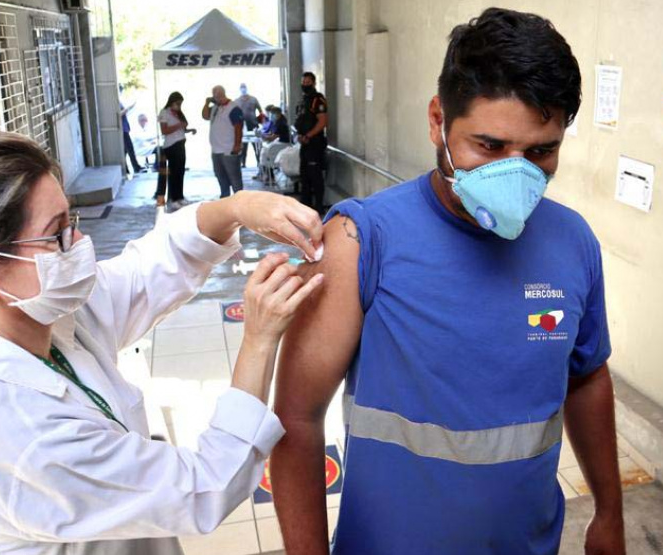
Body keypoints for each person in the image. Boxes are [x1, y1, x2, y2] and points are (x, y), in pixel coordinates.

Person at [271, 8, 624, 555]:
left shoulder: (573, 243)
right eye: (488, 146)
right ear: (438, 120)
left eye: (540, 152)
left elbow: (587, 379)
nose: (516, 172)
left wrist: (608, 511)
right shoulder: (360, 243)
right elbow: (296, 417)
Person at [0, 129, 326, 555]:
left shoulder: (44, 319)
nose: (80, 246)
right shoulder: (20, 434)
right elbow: (205, 486)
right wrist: (259, 339)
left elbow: (146, 272)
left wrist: (235, 207)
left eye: (74, 223)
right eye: (56, 234)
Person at [293, 72, 329, 214]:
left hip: (315, 143)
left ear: (313, 83)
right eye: (303, 82)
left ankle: (318, 207)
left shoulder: (318, 99)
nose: (305, 85)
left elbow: (322, 121)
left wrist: (308, 135)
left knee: (315, 177)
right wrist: (301, 136)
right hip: (304, 144)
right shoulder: (304, 100)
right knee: (304, 176)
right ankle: (305, 207)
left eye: (308, 82)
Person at [202, 86, 245, 199]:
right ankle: (225, 198)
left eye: (216, 95)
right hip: (216, 149)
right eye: (214, 95)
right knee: (220, 176)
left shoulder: (233, 107)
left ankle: (239, 200)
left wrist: (236, 145)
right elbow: (205, 116)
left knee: (234, 178)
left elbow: (238, 127)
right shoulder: (215, 108)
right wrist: (206, 103)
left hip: (229, 149)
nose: (215, 97)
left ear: (221, 94)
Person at [155, 92, 196, 210]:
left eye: (180, 103)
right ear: (172, 101)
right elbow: (165, 130)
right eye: (177, 103)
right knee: (173, 173)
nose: (179, 105)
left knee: (180, 172)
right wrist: (179, 125)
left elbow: (181, 128)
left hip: (180, 144)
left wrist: (188, 130)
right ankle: (172, 198)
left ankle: (180, 197)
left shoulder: (178, 113)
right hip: (171, 146)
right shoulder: (164, 113)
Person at [257, 106, 292, 183]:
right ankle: (265, 174)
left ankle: (270, 176)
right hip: (280, 142)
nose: (270, 116)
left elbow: (272, 137)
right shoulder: (278, 121)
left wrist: (262, 136)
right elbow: (272, 134)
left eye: (271, 114)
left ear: (276, 114)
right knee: (264, 151)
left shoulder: (281, 123)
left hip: (283, 144)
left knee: (266, 152)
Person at [235, 83, 264, 167]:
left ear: (247, 88)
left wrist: (261, 121)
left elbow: (260, 111)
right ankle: (243, 163)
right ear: (240, 89)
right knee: (243, 145)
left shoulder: (253, 99)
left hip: (253, 124)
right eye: (241, 88)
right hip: (242, 126)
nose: (243, 89)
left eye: (244, 87)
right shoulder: (237, 101)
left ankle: (259, 162)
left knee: (256, 144)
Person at [119, 85, 143, 175]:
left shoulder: (119, 101)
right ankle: (135, 167)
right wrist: (128, 108)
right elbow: (119, 114)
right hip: (122, 129)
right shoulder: (115, 102)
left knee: (125, 150)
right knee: (129, 149)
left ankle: (127, 168)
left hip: (125, 127)